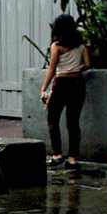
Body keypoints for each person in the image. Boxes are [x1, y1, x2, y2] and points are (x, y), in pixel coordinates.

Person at [39, 13, 91, 169]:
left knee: (53, 119)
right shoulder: (81, 45)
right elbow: (88, 65)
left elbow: (52, 68)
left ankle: (57, 154)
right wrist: (76, 68)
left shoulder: (57, 46)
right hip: (78, 83)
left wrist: (44, 88)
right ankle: (73, 158)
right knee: (73, 122)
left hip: (61, 83)